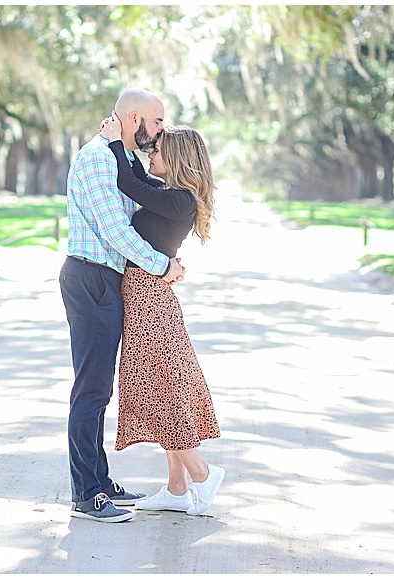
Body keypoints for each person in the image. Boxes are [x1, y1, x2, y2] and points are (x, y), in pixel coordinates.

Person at [59, 88, 185, 523]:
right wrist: (161, 265)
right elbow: (116, 230)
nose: (162, 129)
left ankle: (99, 479)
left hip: (106, 280)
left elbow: (144, 198)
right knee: (91, 388)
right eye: (157, 121)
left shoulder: (120, 158)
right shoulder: (97, 159)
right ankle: (86, 495)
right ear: (134, 118)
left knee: (100, 387)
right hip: (91, 275)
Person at [98, 113, 224, 516]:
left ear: (178, 158)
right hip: (147, 295)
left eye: (159, 150)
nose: (151, 154)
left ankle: (202, 474)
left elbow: (127, 182)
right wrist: (128, 147)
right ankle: (175, 488)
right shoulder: (174, 194)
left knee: (162, 390)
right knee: (161, 386)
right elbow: (137, 177)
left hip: (149, 298)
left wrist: (117, 141)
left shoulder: (180, 199)